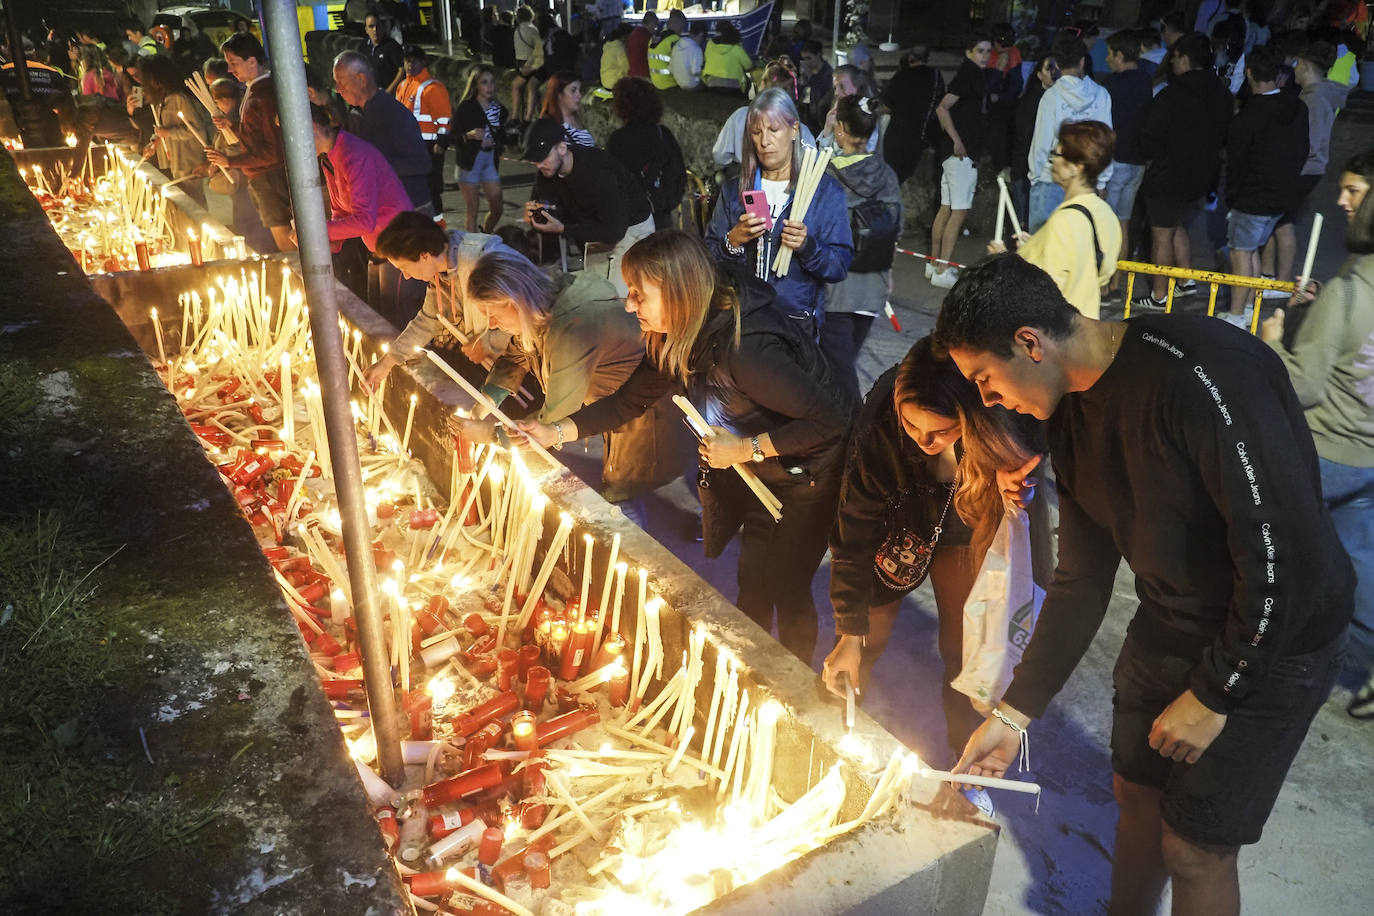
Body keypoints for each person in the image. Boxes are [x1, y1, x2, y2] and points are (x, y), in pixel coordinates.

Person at [938, 253, 1352, 916]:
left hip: (1281, 631)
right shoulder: (1069, 415)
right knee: (1135, 795)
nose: (989, 400)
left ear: (1029, 343)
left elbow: (1287, 560)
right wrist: (1012, 714)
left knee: (1195, 848)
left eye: (986, 380)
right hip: (1173, 616)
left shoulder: (1203, 374)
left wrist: (1216, 693)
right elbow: (1080, 578)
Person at [515, 230, 853, 666]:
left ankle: (795, 680)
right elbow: (629, 400)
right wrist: (555, 431)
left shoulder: (745, 351)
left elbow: (832, 422)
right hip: (760, 466)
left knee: (787, 584)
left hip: (809, 472)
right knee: (753, 579)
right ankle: (751, 671)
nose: (628, 304)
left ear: (678, 293)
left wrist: (748, 447)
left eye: (639, 294)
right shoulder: (674, 333)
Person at [822, 336, 1043, 772]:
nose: (924, 441)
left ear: (970, 413)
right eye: (912, 427)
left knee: (965, 647)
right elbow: (855, 524)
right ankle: (837, 733)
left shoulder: (1006, 414)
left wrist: (1014, 490)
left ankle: (966, 762)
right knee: (865, 635)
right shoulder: (882, 422)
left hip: (971, 516)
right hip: (901, 516)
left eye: (940, 431)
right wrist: (849, 632)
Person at [1259, 149, 1374, 717]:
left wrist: (1276, 337)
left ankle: (1258, 656)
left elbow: (1303, 385)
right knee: (1359, 568)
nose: (1341, 201)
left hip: (1325, 451)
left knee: (1269, 550)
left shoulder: (1350, 293)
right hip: (1370, 455)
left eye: (1356, 192)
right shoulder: (1349, 289)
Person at [450, 247, 684, 512]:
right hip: (614, 404)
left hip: (644, 411)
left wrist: (487, 433)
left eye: (493, 314)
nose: (491, 325)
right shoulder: (544, 303)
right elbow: (518, 354)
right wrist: (482, 406)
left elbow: (553, 420)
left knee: (622, 492)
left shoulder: (574, 328)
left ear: (514, 303)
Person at [704, 87, 853, 339]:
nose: (764, 142)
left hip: (795, 325)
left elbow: (838, 266)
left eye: (774, 130)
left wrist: (808, 246)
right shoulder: (734, 191)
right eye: (756, 132)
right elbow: (707, 258)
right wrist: (733, 241)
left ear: (794, 130)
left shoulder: (824, 191)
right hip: (743, 321)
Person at [1132, 32, 1232, 312]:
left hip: (1167, 175)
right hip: (1201, 176)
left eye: (1175, 58)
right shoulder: (1222, 94)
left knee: (1161, 234)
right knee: (1178, 226)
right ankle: (1186, 282)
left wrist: (1150, 157)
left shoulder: (1172, 93)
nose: (1172, 63)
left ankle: (1159, 296)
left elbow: (1150, 135)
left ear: (1185, 59)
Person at [365, 210, 515, 393]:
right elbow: (428, 319)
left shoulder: (480, 260)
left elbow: (528, 310)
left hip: (533, 361)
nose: (405, 276)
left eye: (404, 267)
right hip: (504, 369)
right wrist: (387, 363)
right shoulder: (441, 271)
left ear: (424, 255)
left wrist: (489, 342)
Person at [991, 121, 1121, 318]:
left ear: (1075, 167)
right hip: (1085, 324)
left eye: (1057, 154)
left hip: (1053, 331)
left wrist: (1005, 261)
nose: (1052, 160)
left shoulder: (1064, 222)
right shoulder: (1106, 213)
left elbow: (1042, 290)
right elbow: (1101, 272)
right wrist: (1035, 247)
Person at [1221, 44, 1309, 325]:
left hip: (1251, 197)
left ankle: (1236, 314)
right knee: (1252, 252)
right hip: (1281, 195)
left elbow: (1235, 164)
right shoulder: (1297, 107)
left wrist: (1232, 198)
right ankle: (1247, 308)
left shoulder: (1246, 118)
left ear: (1249, 73)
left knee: (1241, 254)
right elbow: (1303, 149)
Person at [824, 93, 903, 405]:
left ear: (841, 128)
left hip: (835, 289)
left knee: (838, 374)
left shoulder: (826, 174)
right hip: (873, 284)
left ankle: (857, 430)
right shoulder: (887, 174)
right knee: (845, 365)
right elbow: (895, 226)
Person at [521, 118, 654, 295]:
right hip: (596, 230)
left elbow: (614, 230)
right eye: (534, 161)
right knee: (595, 295)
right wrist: (537, 217)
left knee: (619, 297)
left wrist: (563, 229)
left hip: (632, 227)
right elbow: (552, 213)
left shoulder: (597, 172)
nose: (539, 164)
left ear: (561, 148)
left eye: (543, 157)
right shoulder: (546, 174)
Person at [1263, 41, 1346, 289]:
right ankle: (1270, 278)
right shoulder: (1316, 95)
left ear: (1307, 66)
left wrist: (1287, 162)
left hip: (1303, 169)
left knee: (1280, 223)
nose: (1293, 69)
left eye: (1297, 63)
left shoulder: (1315, 99)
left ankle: (1278, 282)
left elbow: (1311, 141)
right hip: (1306, 169)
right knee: (1279, 222)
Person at [205, 33, 293, 253]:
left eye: (234, 63)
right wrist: (232, 126)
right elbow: (256, 135)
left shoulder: (265, 95)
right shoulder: (254, 90)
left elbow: (274, 151)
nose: (230, 70)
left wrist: (230, 161)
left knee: (286, 240)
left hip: (270, 178)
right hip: (262, 178)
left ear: (252, 61)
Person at [1027, 34, 1112, 231]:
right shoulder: (1102, 95)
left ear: (1057, 64)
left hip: (1051, 179)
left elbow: (1041, 142)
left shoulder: (1052, 96)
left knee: (1044, 253)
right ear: (1083, 61)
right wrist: (1102, 181)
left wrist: (1035, 178)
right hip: (1087, 183)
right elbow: (1105, 142)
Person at [333, 50, 433, 213]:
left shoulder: (392, 113)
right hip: (388, 210)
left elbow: (421, 163)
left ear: (361, 79)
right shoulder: (359, 115)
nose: (337, 89)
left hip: (410, 210)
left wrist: (375, 168)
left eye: (341, 81)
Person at [311, 104, 412, 262]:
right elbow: (341, 211)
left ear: (313, 127)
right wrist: (332, 241)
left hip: (401, 243)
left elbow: (364, 221)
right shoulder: (329, 158)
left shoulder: (353, 155)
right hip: (379, 244)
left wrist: (315, 232)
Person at [930, 33, 992, 290]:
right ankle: (943, 267)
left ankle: (934, 264)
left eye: (988, 51)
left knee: (946, 208)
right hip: (961, 154)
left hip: (954, 154)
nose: (985, 56)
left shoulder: (971, 73)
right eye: (980, 50)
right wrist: (957, 139)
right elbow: (942, 107)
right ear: (969, 51)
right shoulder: (968, 74)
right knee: (958, 211)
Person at [1101, 30, 1153, 274]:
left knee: (1106, 224)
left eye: (1110, 54)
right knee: (1123, 221)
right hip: (1138, 161)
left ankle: (1104, 277)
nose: (1107, 59)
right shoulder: (1146, 81)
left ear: (1120, 55)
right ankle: (1117, 277)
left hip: (1116, 161)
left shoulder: (1111, 86)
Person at [607, 77, 685, 230]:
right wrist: (666, 204)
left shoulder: (618, 140)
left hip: (633, 220)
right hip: (660, 214)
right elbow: (678, 175)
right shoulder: (663, 133)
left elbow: (613, 183)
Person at [710, 62, 817, 170]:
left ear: (762, 85)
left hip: (743, 180)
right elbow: (812, 163)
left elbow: (720, 156)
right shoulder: (801, 130)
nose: (764, 142)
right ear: (792, 95)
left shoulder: (740, 117)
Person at [138, 54, 208, 206]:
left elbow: (196, 130)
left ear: (157, 81)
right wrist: (153, 144)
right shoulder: (160, 101)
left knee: (193, 201)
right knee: (181, 201)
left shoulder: (180, 99)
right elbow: (160, 129)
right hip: (172, 161)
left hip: (188, 161)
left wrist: (170, 133)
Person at [395, 44, 453, 216]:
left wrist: (441, 143)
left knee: (431, 189)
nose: (409, 65)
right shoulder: (403, 86)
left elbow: (444, 118)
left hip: (429, 146)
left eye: (413, 61)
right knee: (413, 188)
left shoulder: (432, 88)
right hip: (410, 146)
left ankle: (437, 226)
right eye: (407, 61)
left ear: (422, 62)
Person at [452, 63, 508, 233]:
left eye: (492, 82)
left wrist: (498, 139)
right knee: (472, 211)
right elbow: (452, 136)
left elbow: (503, 136)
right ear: (475, 84)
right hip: (470, 162)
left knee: (497, 206)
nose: (489, 86)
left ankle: (485, 233)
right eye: (484, 82)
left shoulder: (498, 110)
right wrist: (469, 135)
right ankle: (472, 252)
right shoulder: (466, 108)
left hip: (489, 160)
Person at [880, 45, 945, 185]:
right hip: (920, 136)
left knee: (891, 178)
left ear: (910, 58)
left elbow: (886, 106)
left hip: (897, 136)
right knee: (904, 175)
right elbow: (940, 104)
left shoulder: (901, 76)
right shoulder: (936, 76)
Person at [818, 64, 882, 153]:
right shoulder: (835, 113)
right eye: (835, 88)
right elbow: (823, 156)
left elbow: (867, 151)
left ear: (858, 86)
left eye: (842, 86)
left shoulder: (867, 115)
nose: (836, 93)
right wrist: (828, 129)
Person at [537, 71, 594, 147]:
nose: (579, 95)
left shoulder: (580, 119)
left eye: (579, 91)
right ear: (559, 95)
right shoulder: (549, 127)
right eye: (573, 91)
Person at [510, 5, 541, 126]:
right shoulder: (533, 29)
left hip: (521, 64)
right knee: (530, 87)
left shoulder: (517, 30)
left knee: (516, 85)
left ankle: (515, 115)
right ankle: (527, 118)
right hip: (531, 64)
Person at [702, 22, 753, 95]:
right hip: (733, 85)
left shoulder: (710, 44)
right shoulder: (736, 47)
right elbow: (748, 65)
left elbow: (706, 59)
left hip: (711, 83)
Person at [364, 12, 405, 94]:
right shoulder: (364, 47)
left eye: (377, 26)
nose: (375, 30)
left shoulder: (392, 46)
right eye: (371, 26)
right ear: (366, 30)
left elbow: (402, 70)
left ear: (382, 27)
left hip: (391, 95)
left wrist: (388, 92)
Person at [796, 39, 832, 130]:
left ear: (818, 54)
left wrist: (811, 78)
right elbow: (799, 97)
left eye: (809, 58)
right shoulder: (806, 72)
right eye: (804, 59)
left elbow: (821, 100)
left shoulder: (828, 75)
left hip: (818, 124)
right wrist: (802, 80)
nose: (807, 62)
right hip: (804, 120)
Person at [648, 10, 683, 90]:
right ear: (677, 24)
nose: (681, 30)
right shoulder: (674, 40)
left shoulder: (654, 38)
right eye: (682, 26)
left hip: (655, 82)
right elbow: (681, 65)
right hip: (669, 83)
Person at [671, 20, 706, 90]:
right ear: (701, 34)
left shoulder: (677, 45)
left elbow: (671, 67)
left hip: (678, 82)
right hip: (691, 85)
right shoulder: (696, 49)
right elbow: (696, 72)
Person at [599, 23, 633, 94]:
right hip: (615, 84)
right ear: (625, 36)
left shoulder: (609, 46)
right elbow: (627, 68)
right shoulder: (620, 49)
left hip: (605, 82)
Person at [626, 10, 654, 79]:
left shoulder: (634, 33)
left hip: (633, 72)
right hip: (643, 73)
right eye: (655, 24)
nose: (655, 28)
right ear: (651, 23)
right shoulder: (646, 36)